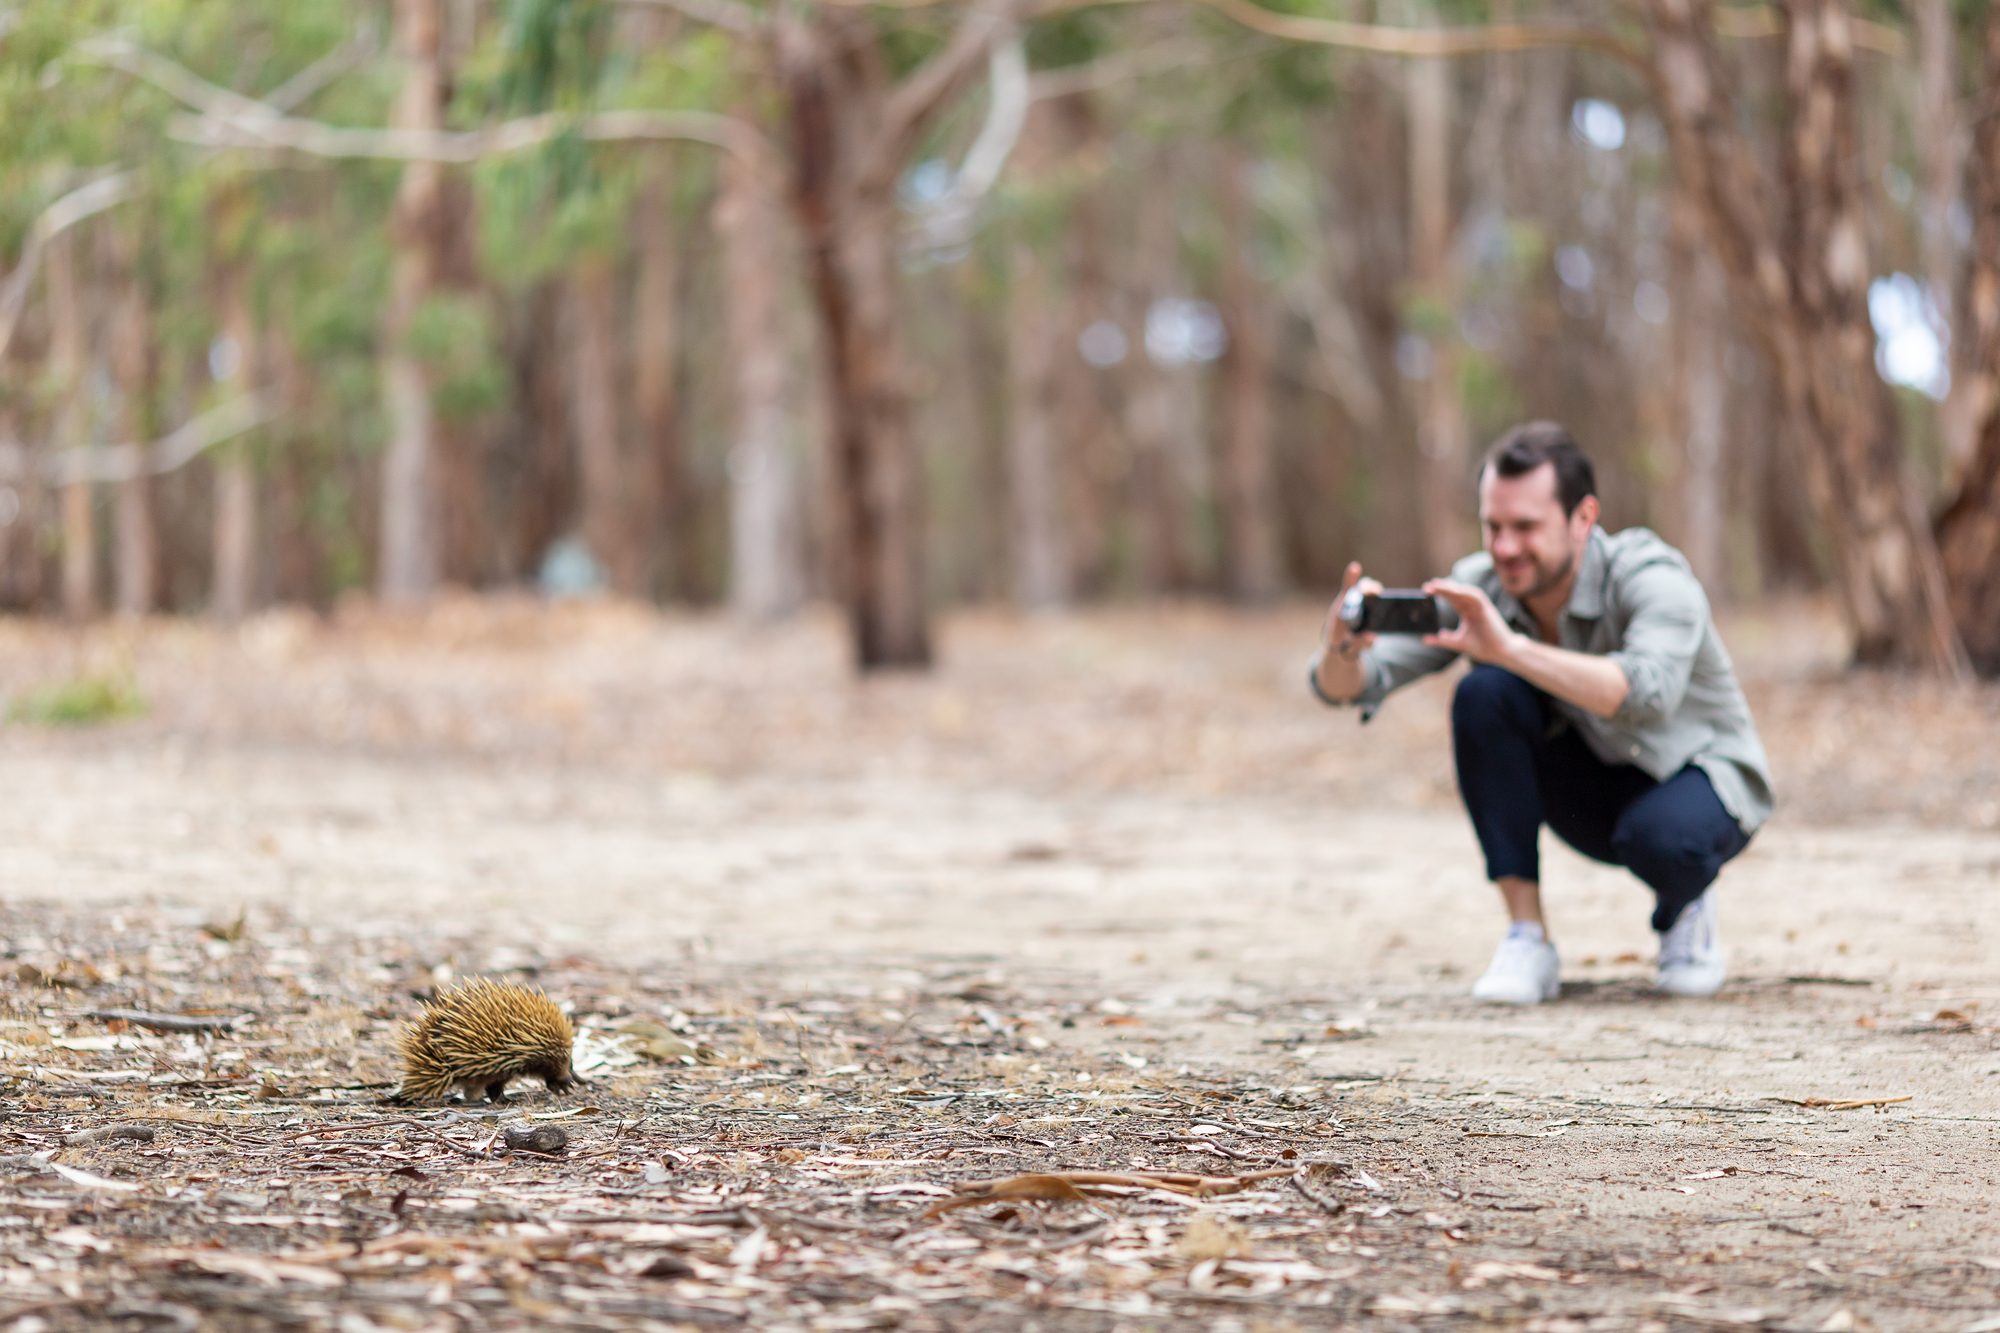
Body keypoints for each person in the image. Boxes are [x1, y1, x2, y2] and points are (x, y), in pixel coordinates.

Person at [1308, 422, 1773, 1004]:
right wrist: (1341, 646)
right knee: (1483, 695)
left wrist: (1509, 648)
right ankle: (1527, 936)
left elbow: (1646, 692)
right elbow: (1342, 687)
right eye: (1493, 527)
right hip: (1594, 795)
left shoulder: (1651, 574)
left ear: (1583, 519)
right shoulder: (1482, 587)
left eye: (1526, 527)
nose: (1504, 548)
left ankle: (1686, 900)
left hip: (1704, 783)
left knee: (1661, 840)